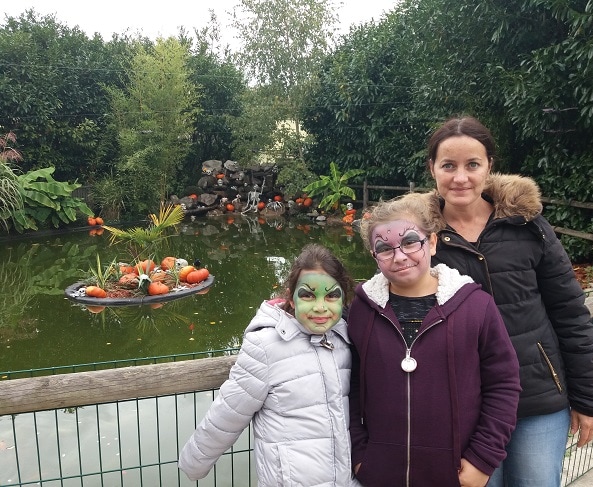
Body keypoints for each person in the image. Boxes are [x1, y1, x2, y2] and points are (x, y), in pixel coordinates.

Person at [426, 116, 593, 487]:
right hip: (464, 405)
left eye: (472, 165)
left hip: (537, 398)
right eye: (449, 165)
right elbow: (388, 306)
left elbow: (570, 311)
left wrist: (590, 397)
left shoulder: (528, 225)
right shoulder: (417, 238)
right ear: (433, 169)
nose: (460, 177)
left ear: (489, 167)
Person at [347, 192, 521, 487]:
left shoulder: (476, 307)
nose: (400, 256)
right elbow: (349, 386)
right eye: (384, 248)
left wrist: (482, 458)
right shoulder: (360, 310)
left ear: (433, 242)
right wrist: (360, 453)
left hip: (455, 474)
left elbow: (503, 384)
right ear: (374, 256)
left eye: (410, 242)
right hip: (380, 473)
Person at [178, 243, 361, 486]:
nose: (320, 307)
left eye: (331, 295)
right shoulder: (266, 345)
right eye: (307, 294)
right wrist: (194, 462)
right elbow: (229, 412)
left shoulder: (346, 338)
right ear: (292, 297)